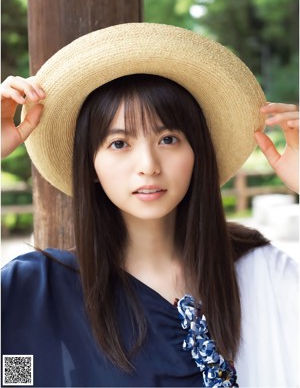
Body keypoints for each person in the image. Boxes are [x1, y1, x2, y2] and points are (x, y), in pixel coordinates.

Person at [1, 23, 299, 388]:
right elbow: (15, 376)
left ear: (197, 153)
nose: (148, 165)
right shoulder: (34, 292)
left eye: (168, 138)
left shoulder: (260, 274)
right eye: (119, 143)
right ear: (90, 166)